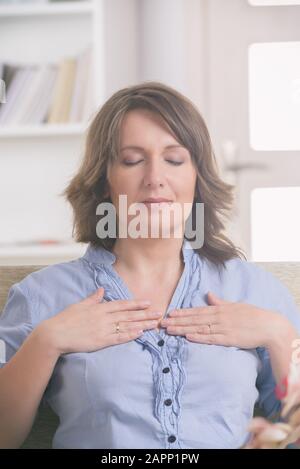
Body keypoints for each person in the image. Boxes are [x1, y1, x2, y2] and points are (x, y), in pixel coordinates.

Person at [0, 81, 299, 450]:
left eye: (174, 160)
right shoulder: (41, 296)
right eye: (132, 160)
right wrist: (45, 343)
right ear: (104, 181)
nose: (155, 178)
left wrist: (280, 337)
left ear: (196, 177)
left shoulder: (259, 292)